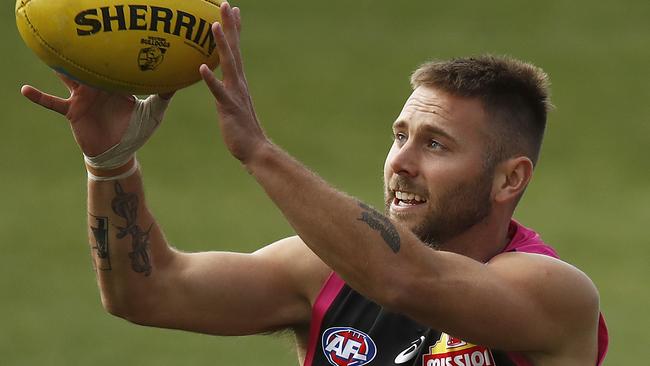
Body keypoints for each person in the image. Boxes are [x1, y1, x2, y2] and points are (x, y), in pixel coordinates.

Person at [21, 3, 608, 365]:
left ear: (511, 179)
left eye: (435, 144)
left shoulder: (554, 295)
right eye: (399, 135)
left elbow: (404, 279)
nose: (400, 162)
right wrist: (111, 162)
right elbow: (144, 293)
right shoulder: (322, 273)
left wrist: (257, 149)